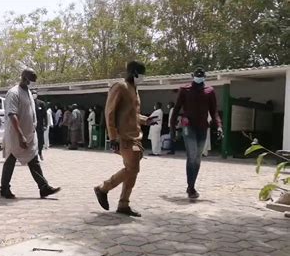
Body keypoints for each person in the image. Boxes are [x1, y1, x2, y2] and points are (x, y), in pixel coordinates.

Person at [94, 61, 157, 217]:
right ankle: (103, 188)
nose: (143, 77)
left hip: (136, 136)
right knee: (133, 168)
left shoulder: (134, 90)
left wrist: (144, 120)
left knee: (133, 171)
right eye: (142, 74)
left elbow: (131, 114)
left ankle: (124, 204)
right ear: (134, 72)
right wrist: (113, 137)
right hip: (124, 137)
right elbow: (110, 112)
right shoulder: (119, 87)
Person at [0, 68, 61, 199]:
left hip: (29, 134)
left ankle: (44, 187)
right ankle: (4, 189)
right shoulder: (13, 93)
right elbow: (12, 115)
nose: (30, 84)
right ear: (23, 78)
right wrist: (20, 135)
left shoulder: (27, 92)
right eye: (29, 81)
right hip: (16, 134)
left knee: (34, 160)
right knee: (11, 159)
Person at [170, 66, 223, 199]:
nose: (199, 77)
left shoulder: (209, 91)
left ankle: (191, 186)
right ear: (192, 76)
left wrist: (219, 126)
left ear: (204, 77)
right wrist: (172, 128)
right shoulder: (185, 90)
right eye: (197, 75)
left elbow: (214, 111)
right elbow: (176, 109)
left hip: (202, 128)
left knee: (197, 158)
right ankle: (191, 187)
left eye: (201, 75)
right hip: (188, 127)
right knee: (192, 155)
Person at [32, 90, 47, 160]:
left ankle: (40, 153)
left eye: (34, 94)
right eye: (32, 93)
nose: (33, 95)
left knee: (40, 140)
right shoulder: (28, 103)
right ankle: (31, 155)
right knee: (30, 140)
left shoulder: (41, 103)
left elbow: (45, 115)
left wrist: (45, 125)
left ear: (37, 95)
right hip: (30, 125)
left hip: (39, 125)